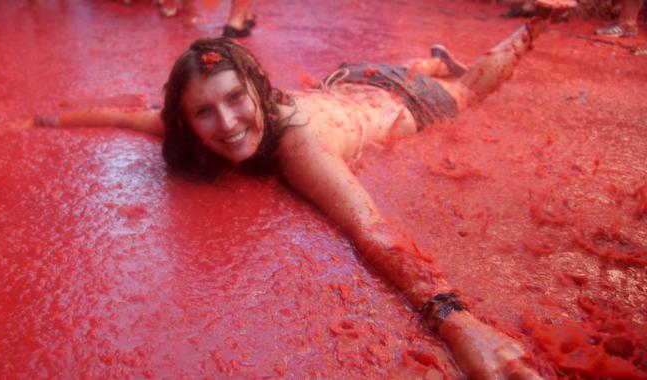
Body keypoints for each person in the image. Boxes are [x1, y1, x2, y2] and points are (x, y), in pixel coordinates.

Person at [31, 1, 575, 377]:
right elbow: (126, 117)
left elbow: (372, 229)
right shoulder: (187, 127)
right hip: (350, 77)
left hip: (406, 102)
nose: (226, 124)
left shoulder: (298, 142)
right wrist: (48, 123)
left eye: (235, 100)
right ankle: (433, 56)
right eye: (205, 111)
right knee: (431, 74)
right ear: (186, 120)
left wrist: (459, 324)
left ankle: (531, 29)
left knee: (470, 89)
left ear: (258, 90)